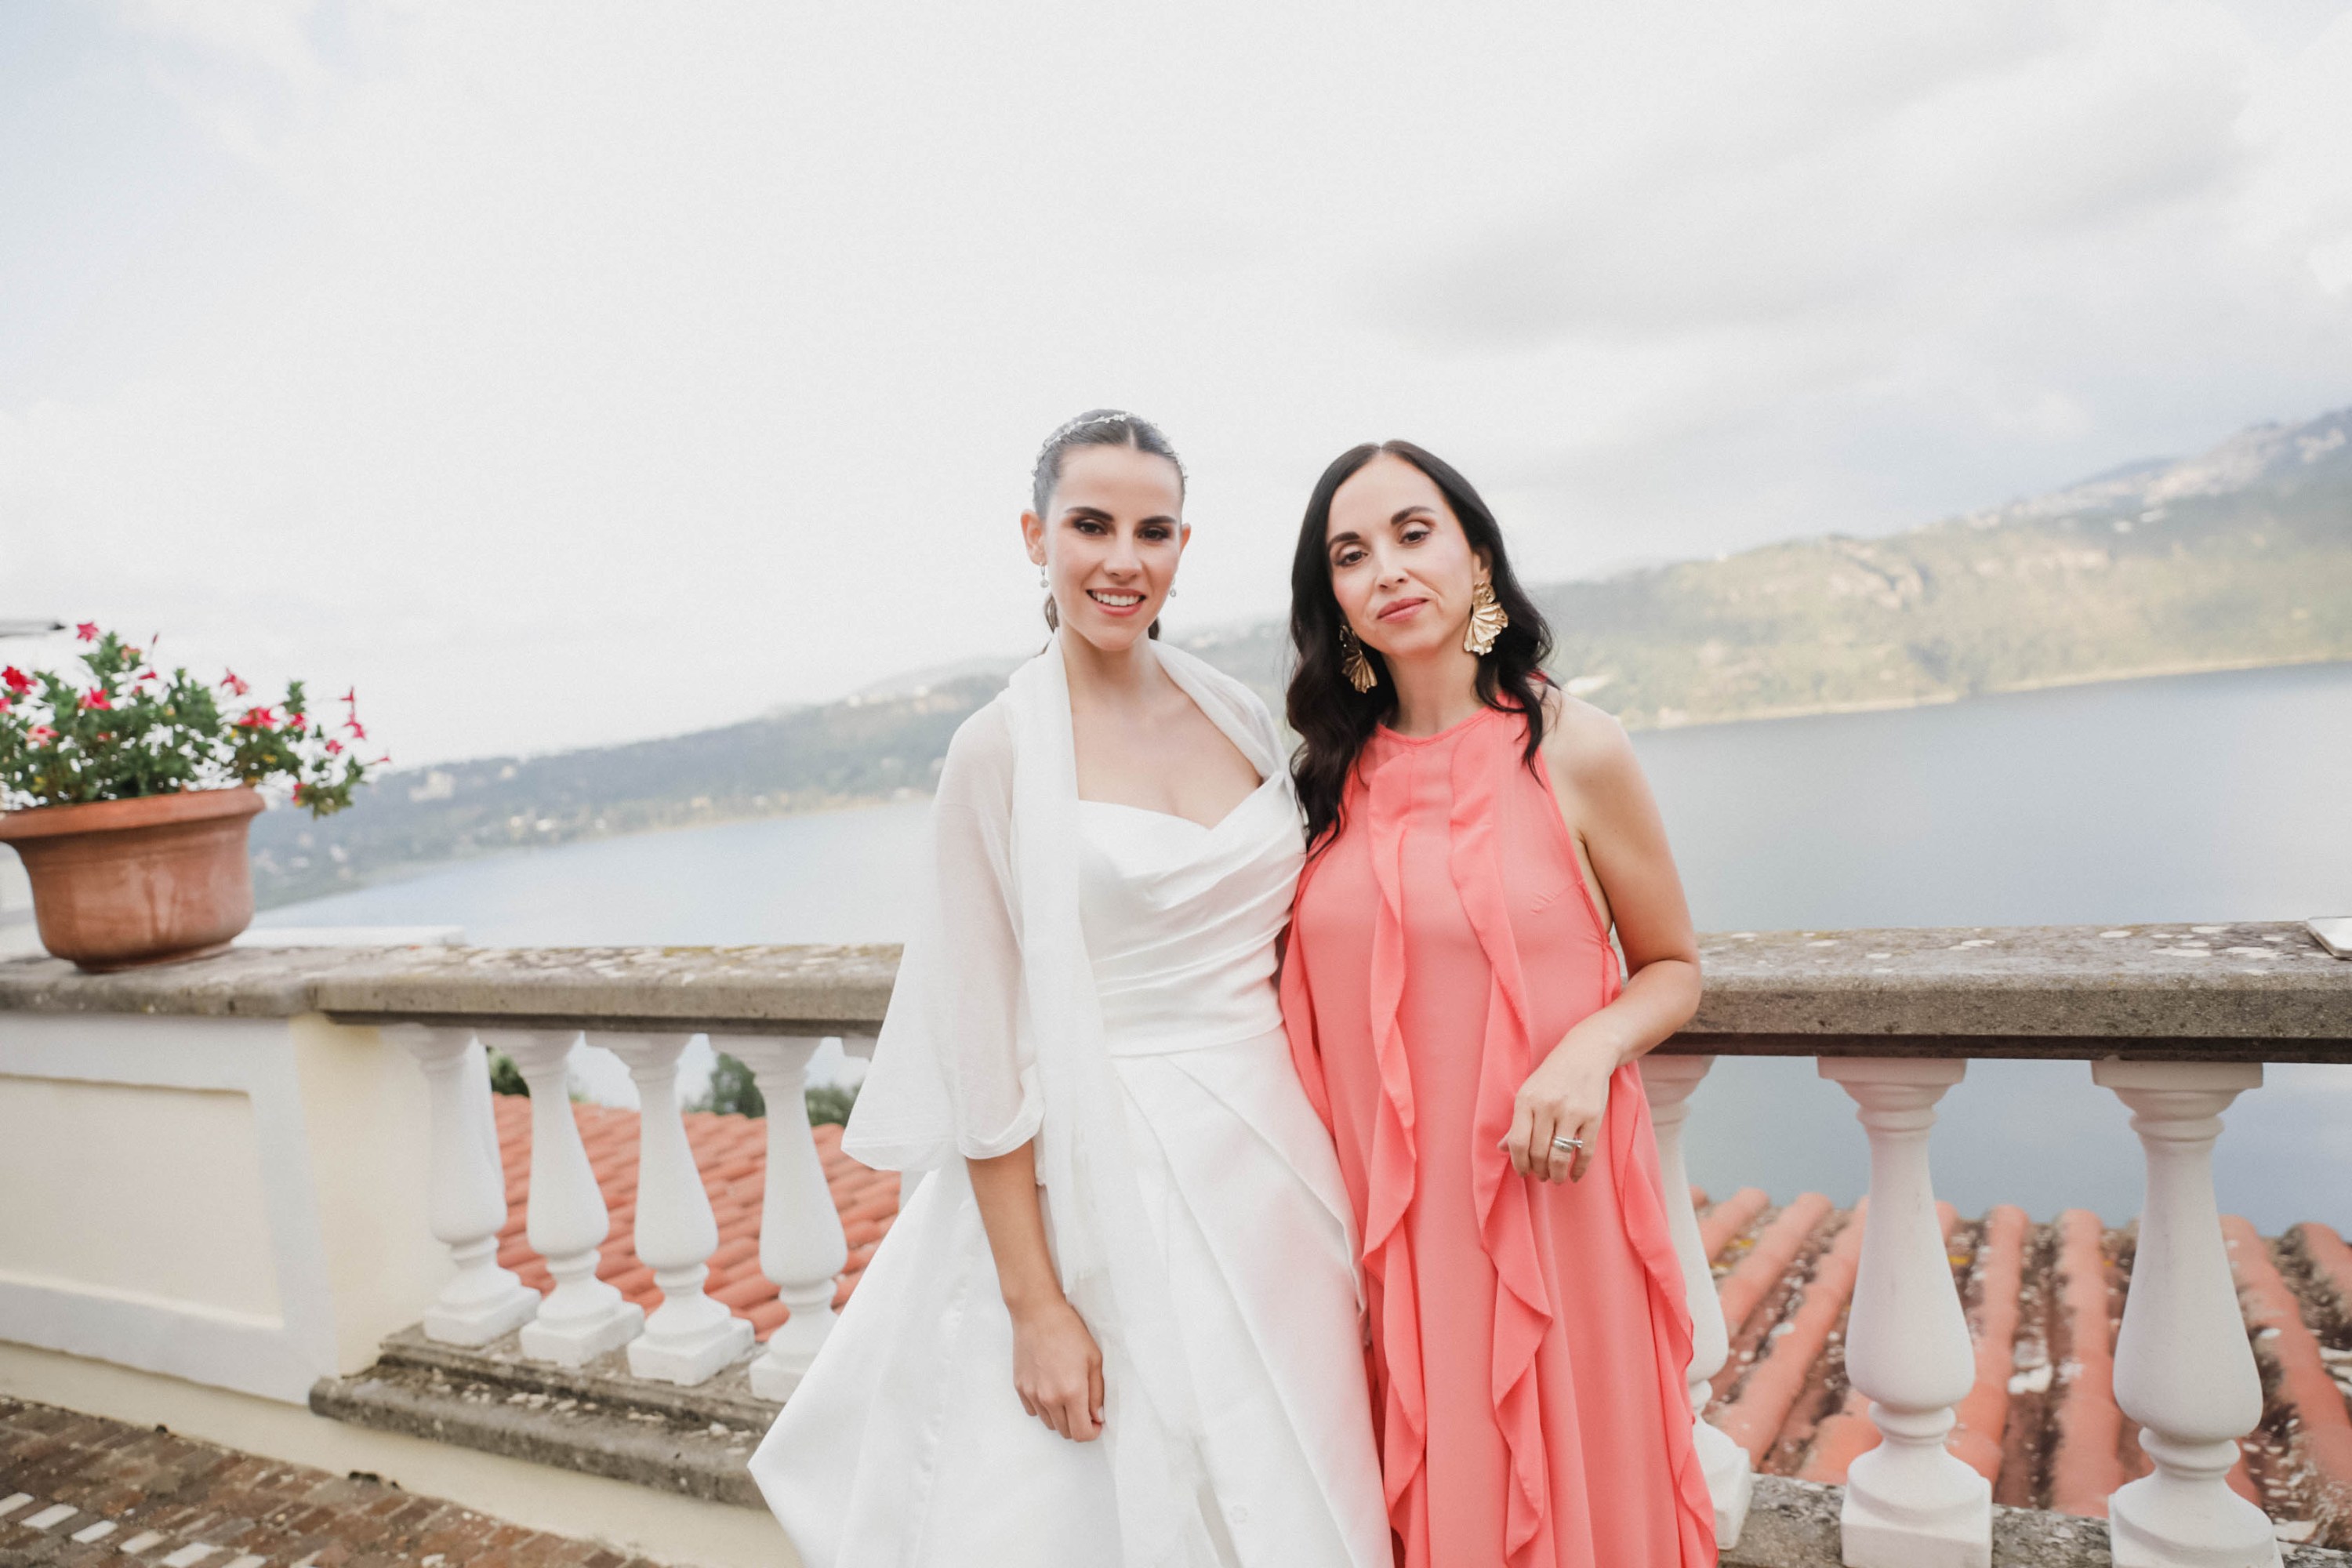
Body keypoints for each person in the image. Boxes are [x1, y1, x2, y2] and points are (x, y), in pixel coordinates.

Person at [750, 411, 1388, 1568]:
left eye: (1154, 531)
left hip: (1277, 1169)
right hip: (1101, 1180)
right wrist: (1036, 1306)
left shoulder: (1239, 713)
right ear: (1035, 535)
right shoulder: (996, 752)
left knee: (1299, 1468)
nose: (1122, 560)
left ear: (1184, 545)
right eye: (1091, 525)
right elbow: (982, 1050)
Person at [1278, 441, 1717, 1568]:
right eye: (1350, 554)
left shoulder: (1577, 748)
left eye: (1414, 533)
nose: (1387, 569)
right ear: (1334, 600)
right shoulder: (1319, 784)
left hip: (1547, 1213)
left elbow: (1672, 965)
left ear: (1477, 558)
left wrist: (1588, 1050)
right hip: (1380, 1239)